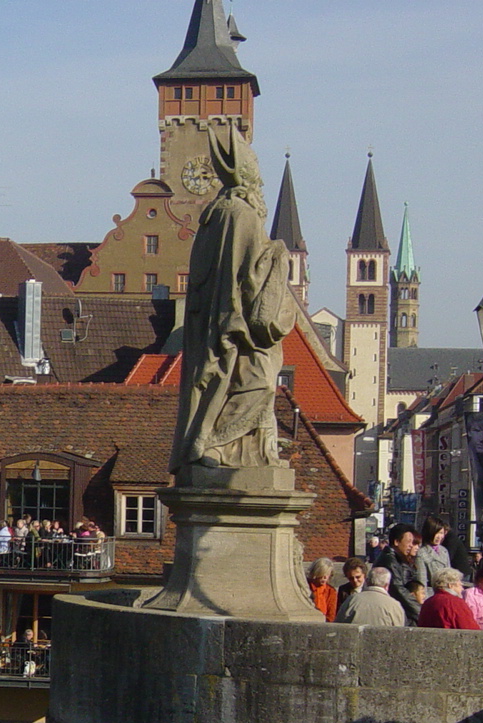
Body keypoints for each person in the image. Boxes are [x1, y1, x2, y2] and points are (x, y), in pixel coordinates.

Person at [168, 126, 299, 473]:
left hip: (211, 323)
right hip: (234, 328)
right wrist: (277, 256)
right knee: (259, 382)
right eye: (253, 163)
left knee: (246, 384)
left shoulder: (216, 214)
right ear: (247, 171)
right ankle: (216, 445)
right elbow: (249, 282)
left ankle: (243, 450)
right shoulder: (240, 215)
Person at [375, 524, 423, 624]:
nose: (411, 545)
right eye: (408, 541)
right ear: (396, 542)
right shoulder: (389, 561)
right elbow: (398, 589)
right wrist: (421, 612)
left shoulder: (396, 559)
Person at [336, 567, 405, 626]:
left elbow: (338, 625)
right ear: (387, 585)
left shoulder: (351, 600)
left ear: (367, 581)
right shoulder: (394, 605)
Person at [416, 516, 452, 593]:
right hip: (431, 593)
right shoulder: (422, 553)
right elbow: (421, 580)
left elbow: (449, 575)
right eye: (436, 533)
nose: (439, 537)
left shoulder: (444, 550)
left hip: (446, 592)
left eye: (441, 533)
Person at [307, 558, 338, 622]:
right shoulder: (306, 587)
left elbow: (331, 615)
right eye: (322, 574)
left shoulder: (331, 591)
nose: (324, 577)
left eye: (327, 574)